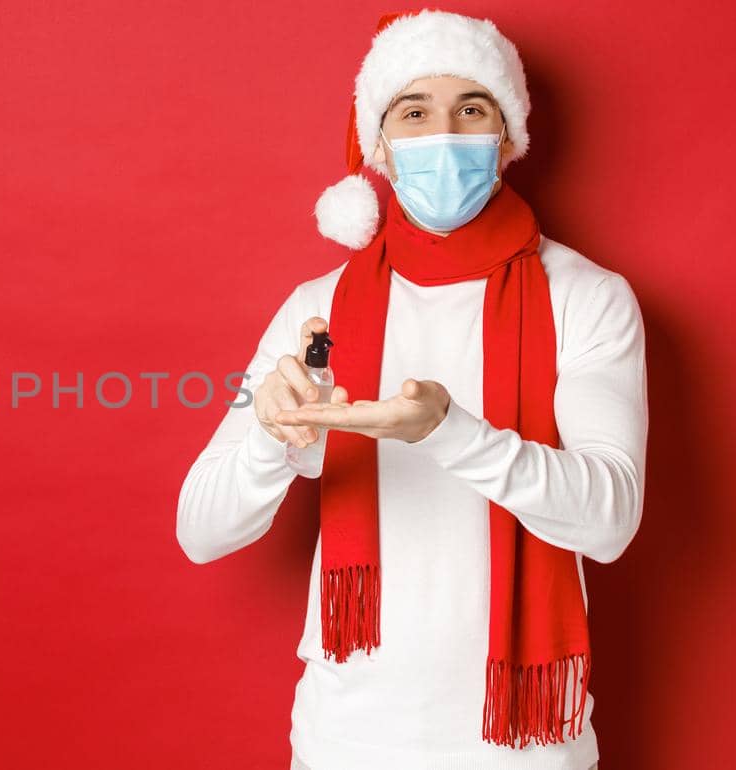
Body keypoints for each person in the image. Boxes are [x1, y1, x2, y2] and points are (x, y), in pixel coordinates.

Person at [176, 10, 646, 770]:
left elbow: (611, 519)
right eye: (415, 111)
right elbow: (200, 531)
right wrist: (272, 434)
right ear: (380, 143)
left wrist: (447, 432)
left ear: (507, 137)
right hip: (348, 739)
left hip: (525, 744)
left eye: (471, 108)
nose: (444, 133)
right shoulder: (317, 308)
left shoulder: (585, 297)